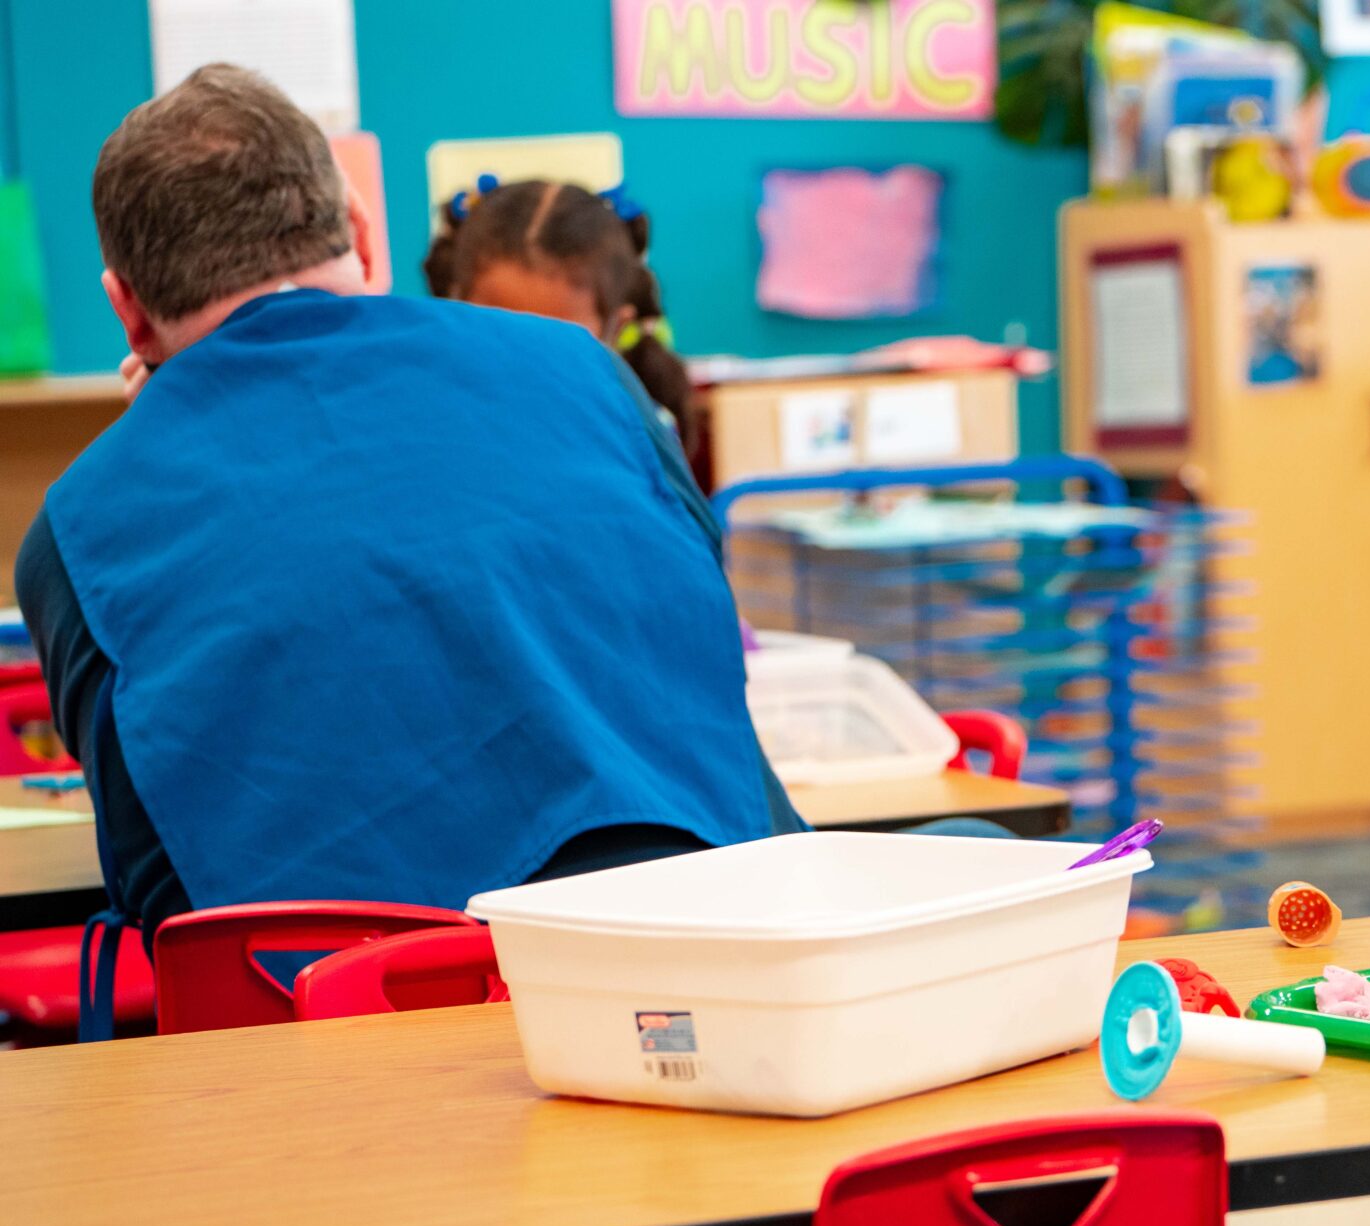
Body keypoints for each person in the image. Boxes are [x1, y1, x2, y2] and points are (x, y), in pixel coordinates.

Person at [16, 65, 796, 1038]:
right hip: (709, 1000)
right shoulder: (590, 379)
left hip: (341, 1070)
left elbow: (159, 893)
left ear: (126, 309)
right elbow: (699, 658)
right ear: (364, 231)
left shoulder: (79, 529)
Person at [425, 178, 705, 470]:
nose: (524, 367)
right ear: (454, 308)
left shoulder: (639, 440)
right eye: (498, 332)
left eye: (555, 344)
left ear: (614, 331)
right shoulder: (430, 423)